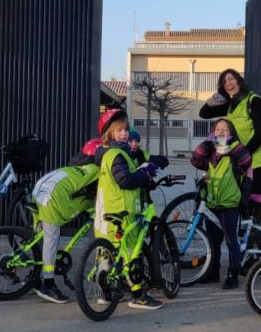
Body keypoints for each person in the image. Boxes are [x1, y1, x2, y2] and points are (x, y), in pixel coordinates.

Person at [94, 108, 170, 310]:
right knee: (130, 254)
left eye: (126, 130)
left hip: (108, 212)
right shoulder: (116, 154)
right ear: (109, 133)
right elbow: (125, 180)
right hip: (122, 211)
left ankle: (105, 294)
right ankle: (137, 295)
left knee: (107, 254)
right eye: (119, 131)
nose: (124, 134)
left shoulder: (110, 153)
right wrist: (145, 175)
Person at [199, 69, 261, 228]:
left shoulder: (254, 100)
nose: (228, 83)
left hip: (260, 163)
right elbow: (203, 113)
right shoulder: (230, 105)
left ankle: (260, 249)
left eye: (231, 79)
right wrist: (216, 98)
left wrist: (243, 154)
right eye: (224, 81)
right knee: (244, 209)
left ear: (239, 80)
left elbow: (260, 134)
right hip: (243, 164)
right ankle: (247, 248)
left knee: (259, 212)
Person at [189, 118, 252, 289]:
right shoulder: (211, 152)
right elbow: (195, 160)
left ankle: (233, 274)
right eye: (217, 129)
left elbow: (247, 160)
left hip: (229, 203)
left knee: (231, 241)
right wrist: (206, 143)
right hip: (212, 202)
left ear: (231, 133)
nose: (221, 132)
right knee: (212, 240)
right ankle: (213, 272)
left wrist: (232, 144)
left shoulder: (235, 152)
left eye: (225, 129)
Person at [29, 163, 100, 303]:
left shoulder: (85, 169)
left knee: (40, 236)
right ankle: (48, 285)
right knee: (51, 239)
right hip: (51, 196)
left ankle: (34, 275)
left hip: (40, 189)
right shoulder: (98, 173)